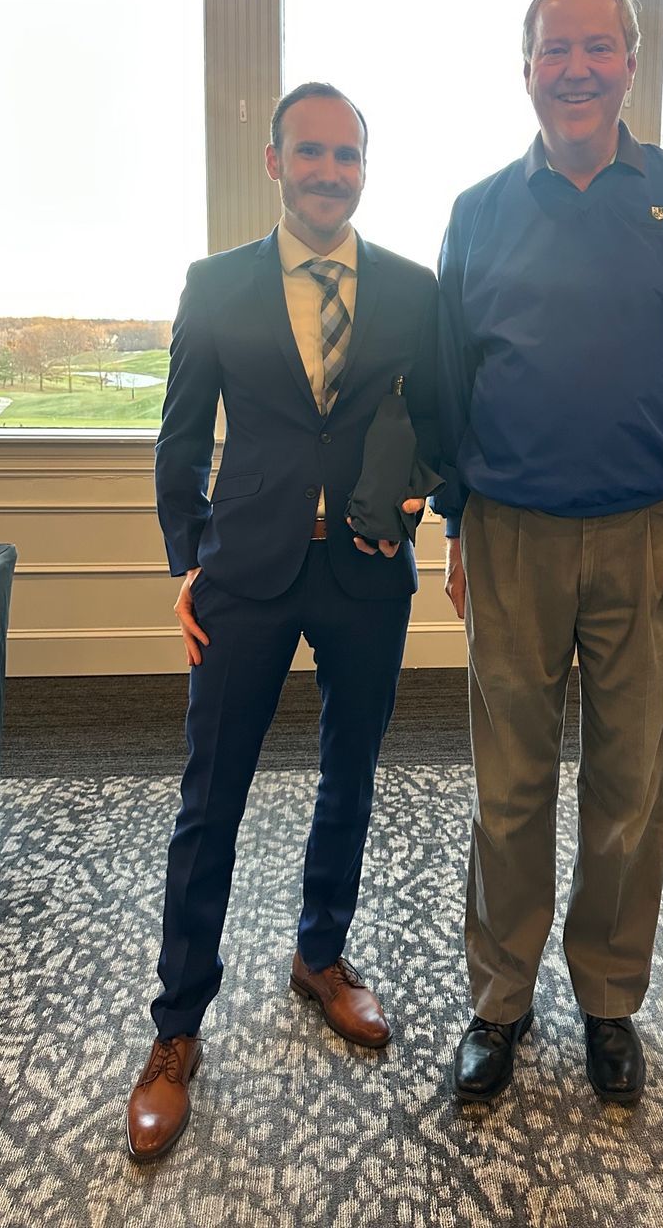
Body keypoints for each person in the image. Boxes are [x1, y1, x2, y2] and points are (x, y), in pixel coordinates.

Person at [433, 0, 663, 1106]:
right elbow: (445, 386)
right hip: (510, 542)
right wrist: (452, 522)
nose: (574, 69)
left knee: (629, 788)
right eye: (553, 49)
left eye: (597, 47)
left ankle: (610, 1001)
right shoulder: (479, 213)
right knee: (509, 785)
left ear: (631, 62)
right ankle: (501, 1000)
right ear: (524, 67)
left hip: (651, 541)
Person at [127, 82, 440, 1161]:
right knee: (211, 794)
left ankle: (322, 956)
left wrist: (418, 495)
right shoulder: (215, 285)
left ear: (365, 168)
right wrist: (186, 563)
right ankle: (176, 1029)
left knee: (351, 773)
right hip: (246, 572)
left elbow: (444, 413)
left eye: (346, 156)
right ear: (274, 162)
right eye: (310, 153)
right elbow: (178, 437)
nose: (328, 172)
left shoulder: (410, 286)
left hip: (363, 574)